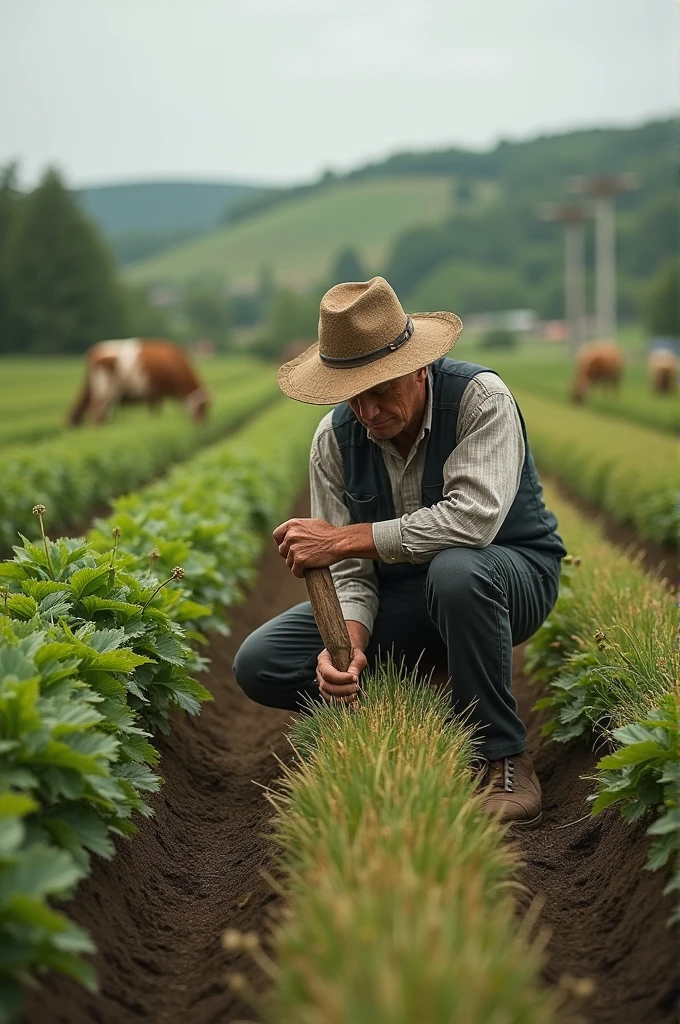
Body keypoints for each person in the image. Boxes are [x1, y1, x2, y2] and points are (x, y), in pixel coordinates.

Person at [234, 277, 566, 828]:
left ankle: (500, 754)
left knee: (457, 572)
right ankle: (432, 682)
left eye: (381, 389)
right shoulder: (333, 440)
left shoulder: (480, 400)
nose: (367, 410)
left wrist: (343, 537)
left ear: (418, 367)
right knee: (260, 663)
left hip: (507, 577)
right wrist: (351, 647)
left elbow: (472, 522)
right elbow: (352, 574)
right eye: (353, 394)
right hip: (405, 594)